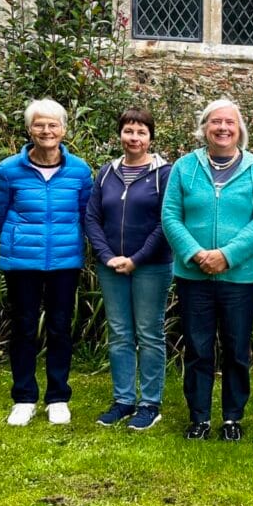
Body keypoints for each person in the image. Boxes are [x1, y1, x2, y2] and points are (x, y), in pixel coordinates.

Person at [161, 98, 253, 442]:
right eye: (215, 122)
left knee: (236, 347)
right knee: (197, 347)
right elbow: (170, 216)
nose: (223, 128)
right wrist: (196, 253)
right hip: (193, 275)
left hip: (239, 276)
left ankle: (231, 418)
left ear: (239, 129)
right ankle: (199, 417)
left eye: (230, 122)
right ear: (204, 128)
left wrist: (226, 255)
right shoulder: (185, 167)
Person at [0, 98, 93, 426]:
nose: (46, 131)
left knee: (60, 328)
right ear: (29, 129)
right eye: (39, 124)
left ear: (63, 129)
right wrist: (18, 241)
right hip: (22, 262)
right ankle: (24, 397)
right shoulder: (8, 170)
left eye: (52, 125)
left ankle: (58, 396)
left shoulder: (79, 170)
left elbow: (85, 213)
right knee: (23, 328)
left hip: (65, 260)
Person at [86, 107, 173, 431]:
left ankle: (150, 403)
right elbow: (93, 217)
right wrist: (107, 255)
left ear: (150, 137)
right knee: (120, 334)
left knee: (149, 334)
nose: (133, 137)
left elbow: (167, 221)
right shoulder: (106, 173)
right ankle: (123, 400)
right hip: (111, 266)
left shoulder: (165, 173)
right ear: (119, 133)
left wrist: (136, 258)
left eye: (141, 132)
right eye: (128, 131)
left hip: (151, 266)